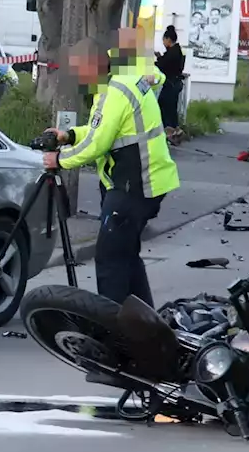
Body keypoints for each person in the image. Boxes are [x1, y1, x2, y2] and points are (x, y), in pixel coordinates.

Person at [42, 31, 181, 308]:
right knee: (127, 256)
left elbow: (97, 144)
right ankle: (146, 325)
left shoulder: (113, 94)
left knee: (110, 259)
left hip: (134, 186)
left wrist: (59, 160)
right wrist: (69, 135)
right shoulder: (120, 84)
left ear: (92, 66)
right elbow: (102, 131)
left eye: (78, 70)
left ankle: (113, 331)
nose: (77, 77)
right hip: (146, 183)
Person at [154, 25, 186, 139]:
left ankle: (169, 131)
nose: (163, 42)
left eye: (163, 40)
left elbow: (164, 65)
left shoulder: (172, 53)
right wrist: (160, 57)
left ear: (168, 39)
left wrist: (156, 62)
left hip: (171, 84)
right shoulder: (176, 51)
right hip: (175, 83)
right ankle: (175, 129)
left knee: (164, 105)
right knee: (172, 107)